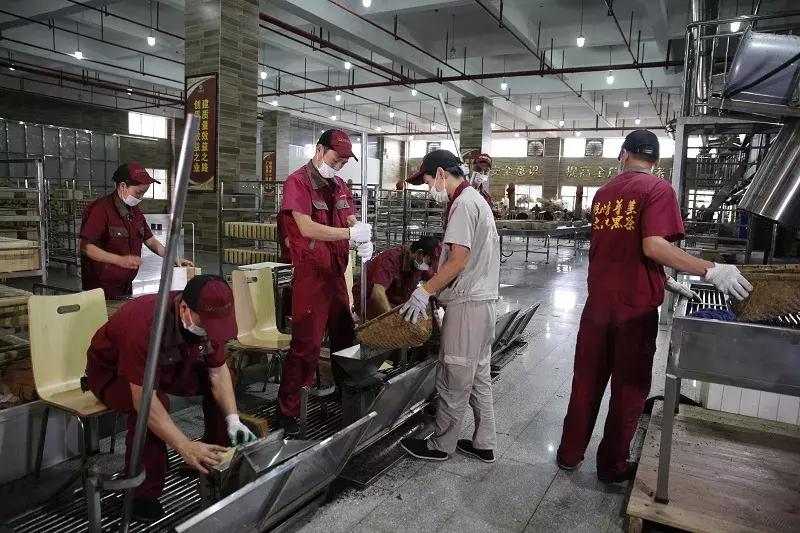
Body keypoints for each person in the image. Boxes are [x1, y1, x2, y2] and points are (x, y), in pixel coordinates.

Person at [557, 130, 752, 482]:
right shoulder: (658, 189)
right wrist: (710, 268)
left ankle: (569, 454)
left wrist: (664, 279)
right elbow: (652, 246)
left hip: (598, 307)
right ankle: (612, 466)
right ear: (656, 161)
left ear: (623, 154)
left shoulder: (603, 194)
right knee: (628, 390)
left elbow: (620, 248)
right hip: (634, 311)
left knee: (586, 383)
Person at [85, 275, 255, 522]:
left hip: (167, 364)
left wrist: (232, 419)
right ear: (184, 308)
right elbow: (144, 402)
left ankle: (213, 460)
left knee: (227, 376)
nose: (210, 333)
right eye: (206, 326)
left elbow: (217, 373)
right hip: (112, 373)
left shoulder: (208, 319)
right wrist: (183, 445)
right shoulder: (145, 324)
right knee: (153, 408)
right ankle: (141, 494)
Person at [397, 149, 500, 463]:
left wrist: (424, 290)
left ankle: (441, 445)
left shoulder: (464, 204)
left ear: (441, 174)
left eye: (429, 181)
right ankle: (484, 442)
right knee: (478, 374)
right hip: (483, 303)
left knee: (455, 374)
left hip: (468, 304)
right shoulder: (474, 201)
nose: (431, 189)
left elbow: (457, 260)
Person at [277, 129, 373, 435]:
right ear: (319, 150)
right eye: (336, 158)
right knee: (306, 346)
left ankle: (348, 398)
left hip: (336, 276)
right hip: (311, 278)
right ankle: (288, 411)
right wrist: (349, 235)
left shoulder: (339, 184)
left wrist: (363, 231)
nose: (340, 165)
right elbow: (305, 228)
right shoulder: (298, 182)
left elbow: (349, 218)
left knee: (346, 339)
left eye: (345, 161)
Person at [79, 163, 192, 298]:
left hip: (125, 284)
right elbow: (84, 247)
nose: (141, 198)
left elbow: (150, 240)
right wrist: (119, 260)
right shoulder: (100, 210)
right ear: (122, 186)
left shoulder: (134, 210)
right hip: (100, 288)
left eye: (143, 193)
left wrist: (172, 258)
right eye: (139, 193)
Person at [352, 236, 440, 320]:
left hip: (394, 301)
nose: (429, 267)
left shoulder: (420, 262)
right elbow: (377, 293)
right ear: (419, 253)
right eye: (429, 264)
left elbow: (435, 280)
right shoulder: (391, 259)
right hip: (368, 300)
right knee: (397, 329)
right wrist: (393, 321)